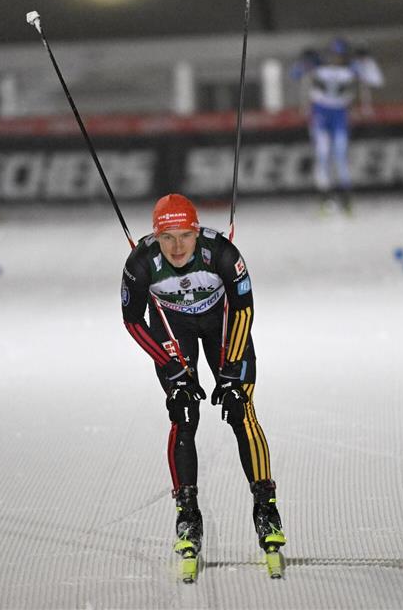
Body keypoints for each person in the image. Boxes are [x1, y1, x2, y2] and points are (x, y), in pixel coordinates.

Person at [121, 193, 286, 562]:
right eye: (167, 238)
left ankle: (266, 509)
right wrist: (173, 368)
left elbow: (243, 311)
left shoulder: (223, 254)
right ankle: (188, 515)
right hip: (173, 327)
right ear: (155, 238)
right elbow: (133, 321)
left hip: (222, 326)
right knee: (183, 415)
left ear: (196, 233)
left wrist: (230, 376)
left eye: (184, 236)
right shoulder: (141, 264)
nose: (177, 246)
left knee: (242, 410)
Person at [293, 37, 384, 214]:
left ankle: (346, 199)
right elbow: (295, 74)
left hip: (340, 114)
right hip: (320, 113)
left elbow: (376, 80)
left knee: (340, 156)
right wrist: (303, 59)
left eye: (340, 55)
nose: (336, 59)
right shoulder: (319, 66)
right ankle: (325, 198)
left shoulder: (351, 69)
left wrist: (367, 60)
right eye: (333, 55)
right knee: (323, 154)